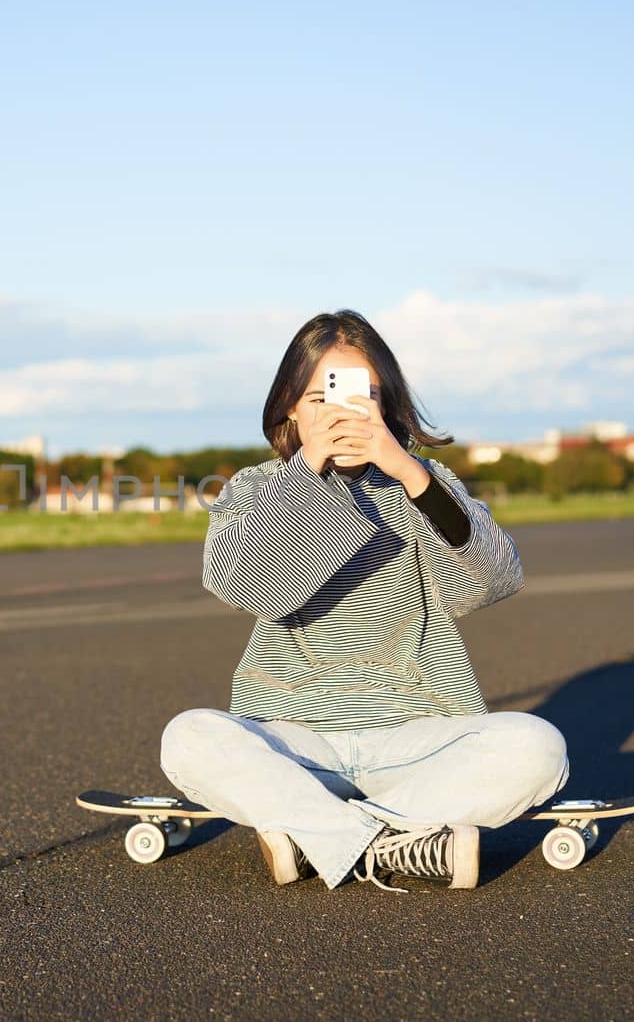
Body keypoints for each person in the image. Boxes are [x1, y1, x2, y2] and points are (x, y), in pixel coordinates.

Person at [159, 310, 569, 892]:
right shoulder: (256, 488)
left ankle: (320, 836)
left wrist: (408, 473)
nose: (341, 414)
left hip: (416, 732)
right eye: (321, 397)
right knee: (189, 737)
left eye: (361, 396)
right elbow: (245, 587)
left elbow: (493, 580)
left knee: (538, 747)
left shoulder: (425, 483)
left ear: (387, 407)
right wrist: (307, 475)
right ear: (291, 410)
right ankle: (399, 841)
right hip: (294, 734)